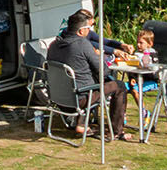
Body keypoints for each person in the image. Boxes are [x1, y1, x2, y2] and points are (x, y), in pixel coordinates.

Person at [46, 9, 135, 141]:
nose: (89, 31)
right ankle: (116, 131)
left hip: (58, 98)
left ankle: (81, 124)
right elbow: (103, 71)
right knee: (119, 85)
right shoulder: (82, 44)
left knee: (83, 81)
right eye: (89, 28)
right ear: (81, 31)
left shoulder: (54, 45)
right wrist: (99, 57)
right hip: (80, 99)